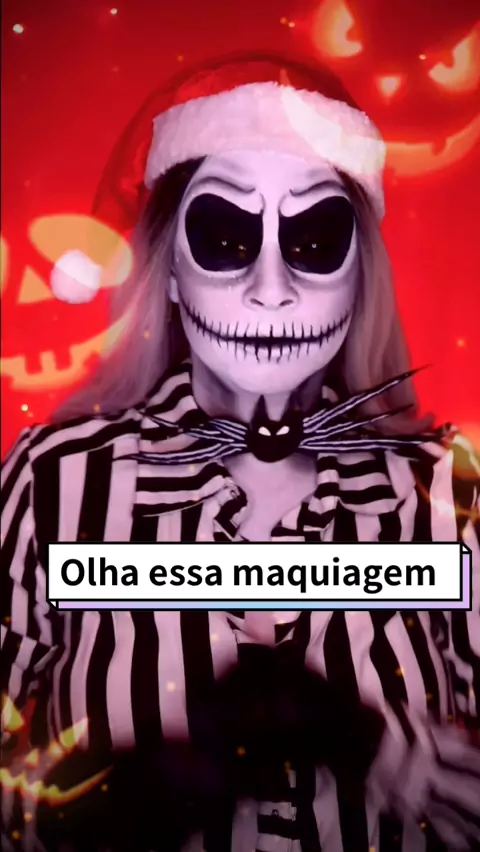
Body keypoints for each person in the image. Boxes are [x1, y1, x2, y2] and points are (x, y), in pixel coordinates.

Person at [1, 51, 479, 852]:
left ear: (359, 274)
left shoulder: (445, 499)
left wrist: (375, 746)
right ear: (171, 273)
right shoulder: (55, 483)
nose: (270, 288)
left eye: (315, 238)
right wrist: (103, 804)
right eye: (223, 236)